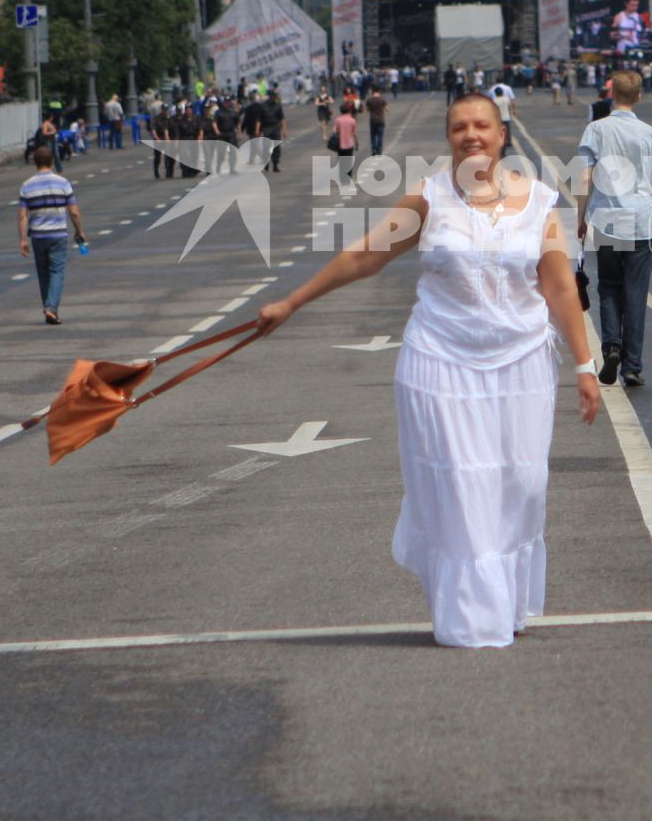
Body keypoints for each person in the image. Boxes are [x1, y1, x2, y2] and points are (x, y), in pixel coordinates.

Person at [254, 94, 599, 648]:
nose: (471, 135)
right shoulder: (431, 199)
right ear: (448, 137)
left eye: (481, 125)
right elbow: (367, 255)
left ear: (501, 134)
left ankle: (505, 602)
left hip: (521, 364)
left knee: (521, 484)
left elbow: (559, 286)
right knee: (463, 486)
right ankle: (469, 617)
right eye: (459, 127)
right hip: (441, 361)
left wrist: (584, 364)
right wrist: (292, 303)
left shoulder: (540, 202)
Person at [576, 71, 652, 387]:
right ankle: (632, 366)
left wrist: (579, 219)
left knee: (608, 287)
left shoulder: (595, 130)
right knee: (636, 292)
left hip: (607, 220)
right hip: (642, 220)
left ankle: (612, 346)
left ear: (611, 94)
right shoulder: (648, 133)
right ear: (639, 97)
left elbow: (584, 178)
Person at [18, 145, 87, 326]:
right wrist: (79, 231)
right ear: (52, 161)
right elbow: (74, 211)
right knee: (57, 271)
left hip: (38, 236)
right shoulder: (63, 183)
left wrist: (23, 239)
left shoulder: (27, 185)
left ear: (35, 162)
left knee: (43, 273)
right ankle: (51, 308)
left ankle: (48, 308)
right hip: (58, 235)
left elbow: (22, 215)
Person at [331, 100, 359, 183]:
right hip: (350, 144)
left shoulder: (338, 120)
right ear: (349, 110)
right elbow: (354, 133)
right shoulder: (352, 120)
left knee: (341, 161)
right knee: (349, 161)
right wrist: (356, 143)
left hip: (340, 144)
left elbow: (334, 131)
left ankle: (342, 178)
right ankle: (348, 178)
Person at [365, 86, 389, 157]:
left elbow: (367, 109)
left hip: (372, 119)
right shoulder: (382, 99)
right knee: (380, 136)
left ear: (372, 91)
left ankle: (373, 149)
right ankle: (379, 150)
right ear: (379, 91)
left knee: (373, 135)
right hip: (381, 119)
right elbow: (387, 109)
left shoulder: (369, 100)